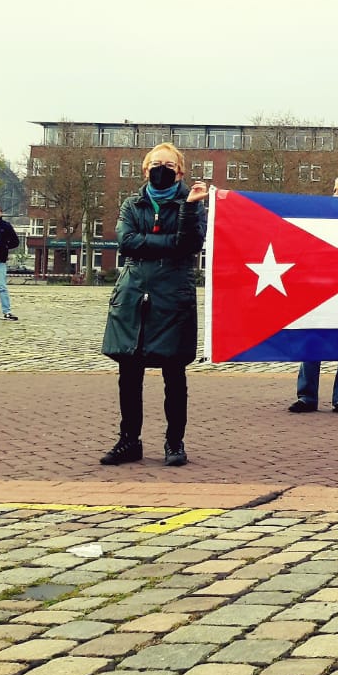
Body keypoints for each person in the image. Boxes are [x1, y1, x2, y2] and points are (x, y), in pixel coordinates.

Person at [99, 143, 208, 467]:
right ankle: (129, 440)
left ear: (181, 171)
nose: (163, 168)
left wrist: (188, 210)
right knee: (128, 373)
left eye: (169, 164)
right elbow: (126, 241)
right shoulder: (132, 204)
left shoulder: (193, 204)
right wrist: (168, 244)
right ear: (145, 170)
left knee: (174, 373)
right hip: (133, 295)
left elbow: (190, 243)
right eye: (156, 163)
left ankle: (175, 442)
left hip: (173, 296)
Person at [289, 175, 338, 415]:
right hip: (320, 290)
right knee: (312, 341)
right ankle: (307, 396)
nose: (334, 195)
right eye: (333, 190)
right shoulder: (321, 222)